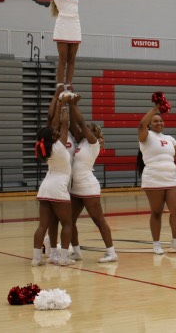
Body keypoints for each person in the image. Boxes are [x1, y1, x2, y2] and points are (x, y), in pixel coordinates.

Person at [28, 0, 104, 93]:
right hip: (63, 22)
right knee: (62, 58)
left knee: (72, 58)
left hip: (75, 24)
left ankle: (69, 84)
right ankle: (60, 84)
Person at [67, 95, 118, 263]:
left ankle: (111, 252)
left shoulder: (93, 143)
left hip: (88, 186)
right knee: (70, 221)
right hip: (76, 187)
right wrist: (69, 107)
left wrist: (74, 105)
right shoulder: (81, 143)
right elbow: (74, 125)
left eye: (87, 129)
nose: (83, 130)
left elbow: (80, 124)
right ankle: (76, 251)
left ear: (93, 133)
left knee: (98, 220)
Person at [31, 90, 75, 267]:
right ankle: (64, 258)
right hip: (58, 186)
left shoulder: (48, 148)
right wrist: (64, 105)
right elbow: (63, 124)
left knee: (43, 225)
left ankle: (36, 259)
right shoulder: (59, 144)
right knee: (67, 223)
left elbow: (56, 125)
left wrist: (60, 103)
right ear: (52, 136)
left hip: (46, 186)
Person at [138, 97, 176, 255]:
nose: (159, 123)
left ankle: (175, 241)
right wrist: (155, 108)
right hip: (153, 177)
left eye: (161, 121)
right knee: (157, 212)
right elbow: (141, 124)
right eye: (155, 121)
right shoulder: (145, 136)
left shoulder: (170, 139)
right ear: (150, 124)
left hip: (171, 177)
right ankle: (156, 244)